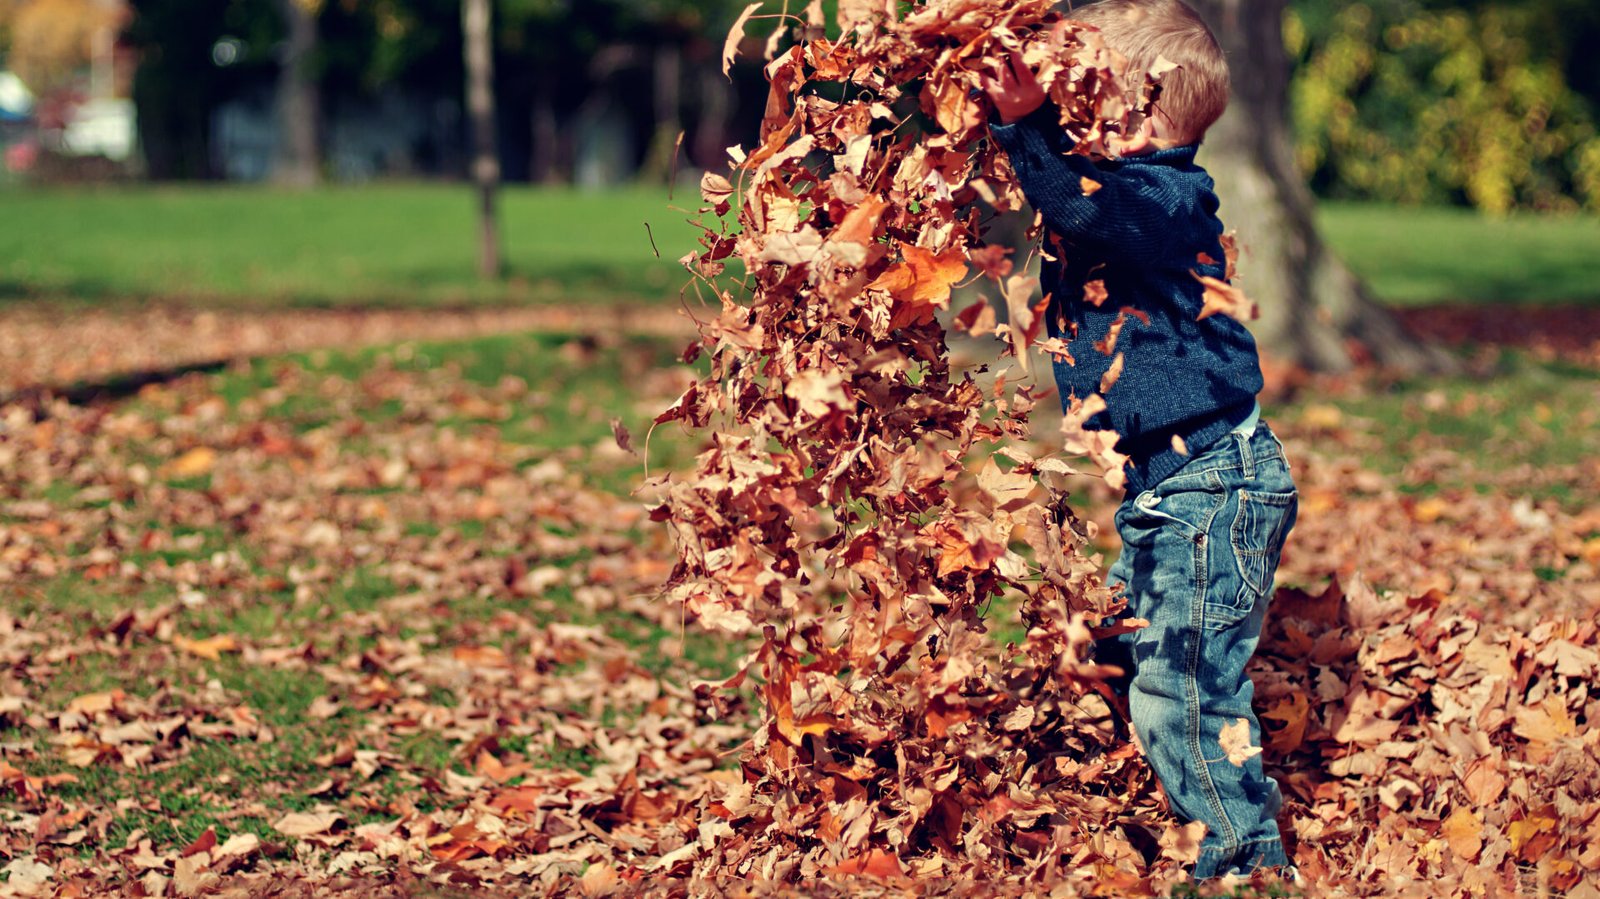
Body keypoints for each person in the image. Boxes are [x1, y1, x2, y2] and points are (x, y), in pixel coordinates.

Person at [980, 0, 1300, 881]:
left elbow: (1084, 211)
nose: (1072, 122)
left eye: (1088, 103)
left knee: (1186, 691)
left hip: (1212, 488)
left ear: (1143, 109)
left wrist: (1027, 128)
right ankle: (1142, 790)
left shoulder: (1165, 198)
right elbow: (1065, 195)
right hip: (1171, 490)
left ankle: (1244, 860)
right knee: (1117, 645)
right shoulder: (1125, 191)